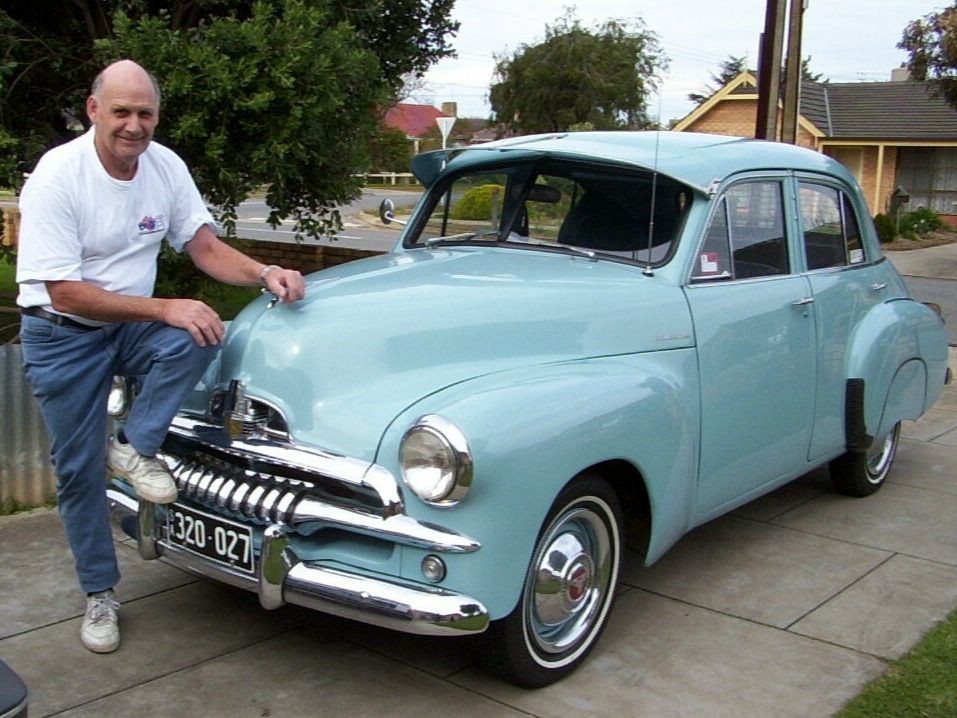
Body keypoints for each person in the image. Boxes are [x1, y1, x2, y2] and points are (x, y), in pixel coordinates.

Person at [15, 59, 305, 654]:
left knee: (201, 330)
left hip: (125, 326)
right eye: (121, 111)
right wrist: (163, 306)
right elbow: (63, 290)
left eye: (145, 113)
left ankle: (135, 446)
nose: (134, 125)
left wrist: (265, 272)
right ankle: (100, 593)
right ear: (94, 111)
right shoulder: (56, 177)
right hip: (62, 333)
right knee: (75, 472)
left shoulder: (165, 166)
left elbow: (202, 245)